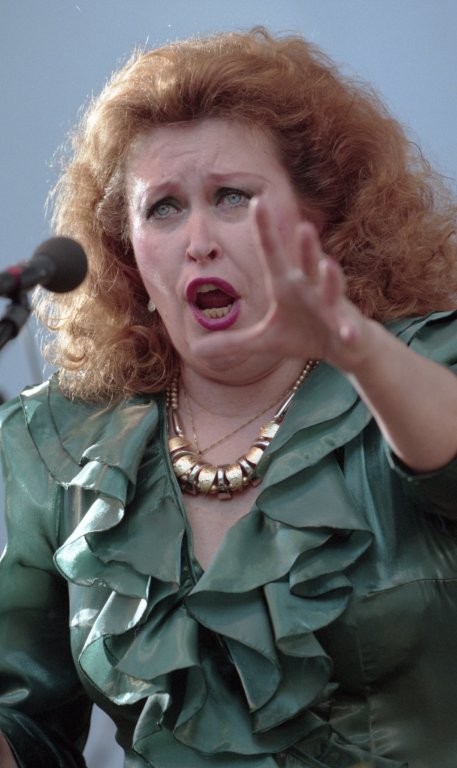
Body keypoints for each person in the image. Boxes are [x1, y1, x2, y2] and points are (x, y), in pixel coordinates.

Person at [0, 26, 456, 768]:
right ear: (126, 254)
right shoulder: (65, 444)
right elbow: (31, 731)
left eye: (231, 197)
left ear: (320, 220)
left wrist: (358, 347)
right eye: (163, 208)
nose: (198, 240)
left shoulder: (416, 373)